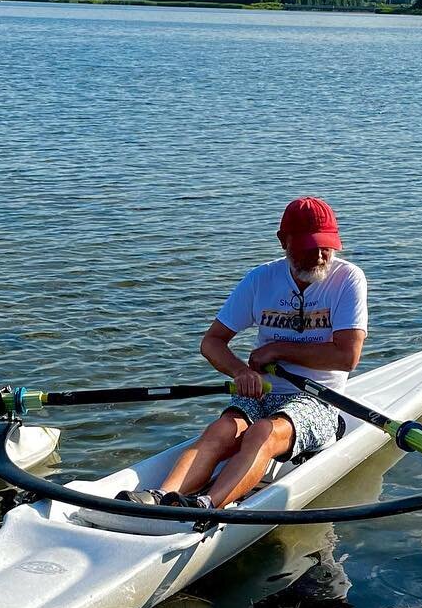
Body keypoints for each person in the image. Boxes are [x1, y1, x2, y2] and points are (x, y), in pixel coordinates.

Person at [120, 196, 368, 513]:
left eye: (326, 246)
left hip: (320, 399)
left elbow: (347, 357)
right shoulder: (260, 280)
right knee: (221, 430)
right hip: (262, 391)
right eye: (309, 247)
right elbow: (212, 342)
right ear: (284, 242)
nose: (320, 256)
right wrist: (240, 372)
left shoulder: (348, 279)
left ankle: (207, 505)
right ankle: (160, 498)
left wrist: (277, 349)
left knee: (262, 432)